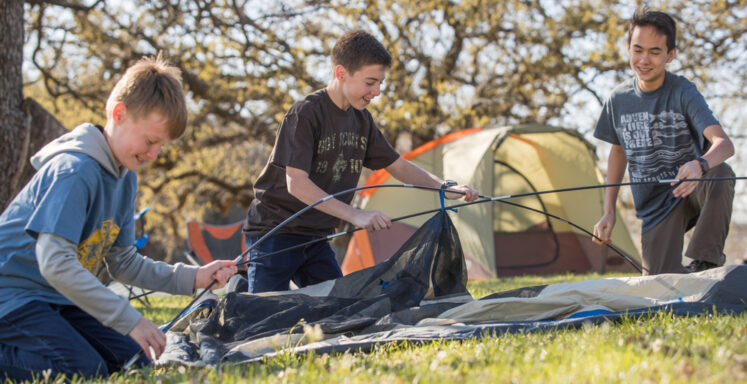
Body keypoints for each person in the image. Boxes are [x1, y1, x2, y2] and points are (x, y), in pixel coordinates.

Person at [0, 56, 238, 381]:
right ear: (119, 114)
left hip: (56, 298)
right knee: (80, 370)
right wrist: (129, 318)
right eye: (151, 141)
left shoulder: (125, 177)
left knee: (131, 362)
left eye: (161, 147)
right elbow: (54, 261)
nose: (153, 155)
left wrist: (194, 277)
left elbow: (123, 261)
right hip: (13, 296)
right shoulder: (74, 171)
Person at [244, 30, 479, 293]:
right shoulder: (306, 113)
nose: (376, 92)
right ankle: (238, 286)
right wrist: (356, 215)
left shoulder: (361, 120)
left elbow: (398, 165)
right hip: (275, 231)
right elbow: (296, 184)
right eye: (370, 82)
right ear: (341, 73)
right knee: (261, 313)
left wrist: (443, 187)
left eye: (380, 83)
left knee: (339, 308)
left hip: (317, 236)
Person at [591, 9, 735, 275]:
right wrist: (608, 211)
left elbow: (724, 145)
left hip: (690, 189)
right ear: (628, 48)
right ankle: (681, 276)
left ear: (670, 55)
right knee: (659, 284)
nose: (644, 60)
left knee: (721, 173)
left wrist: (699, 165)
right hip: (655, 208)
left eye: (655, 52)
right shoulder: (618, 99)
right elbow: (618, 152)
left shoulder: (683, 91)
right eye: (638, 50)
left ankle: (706, 262)